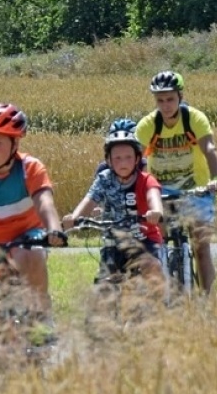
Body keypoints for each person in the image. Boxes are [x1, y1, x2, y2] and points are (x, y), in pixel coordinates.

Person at [0, 104, 66, 314]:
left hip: (26, 237)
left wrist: (54, 229)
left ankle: (41, 316)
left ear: (15, 142)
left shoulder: (30, 168)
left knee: (31, 255)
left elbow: (44, 202)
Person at [135, 71, 217, 294]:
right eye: (160, 100)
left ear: (180, 97)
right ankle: (164, 291)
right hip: (161, 190)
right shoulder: (148, 125)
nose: (165, 105)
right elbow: (135, 159)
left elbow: (209, 149)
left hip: (197, 188)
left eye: (170, 99)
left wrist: (216, 179)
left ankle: (207, 300)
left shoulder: (194, 119)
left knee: (201, 247)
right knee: (160, 242)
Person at [62, 119, 164, 279]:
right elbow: (89, 200)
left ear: (137, 159)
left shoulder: (145, 179)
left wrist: (156, 211)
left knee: (152, 267)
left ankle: (160, 303)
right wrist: (74, 218)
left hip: (145, 241)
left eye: (128, 157)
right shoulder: (104, 179)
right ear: (108, 160)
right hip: (113, 243)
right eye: (117, 158)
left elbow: (154, 196)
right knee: (104, 286)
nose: (123, 162)